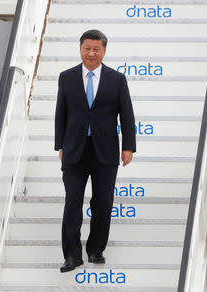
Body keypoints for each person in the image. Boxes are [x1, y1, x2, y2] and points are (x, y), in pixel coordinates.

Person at [54, 29, 136, 273]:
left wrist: (128, 146)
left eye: (96, 49)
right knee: (73, 203)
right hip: (74, 150)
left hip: (106, 151)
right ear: (80, 49)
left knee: (103, 202)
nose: (91, 53)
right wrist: (60, 145)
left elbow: (127, 115)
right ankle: (72, 255)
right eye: (86, 48)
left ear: (104, 51)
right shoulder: (66, 77)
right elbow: (61, 113)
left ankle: (96, 249)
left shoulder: (117, 79)